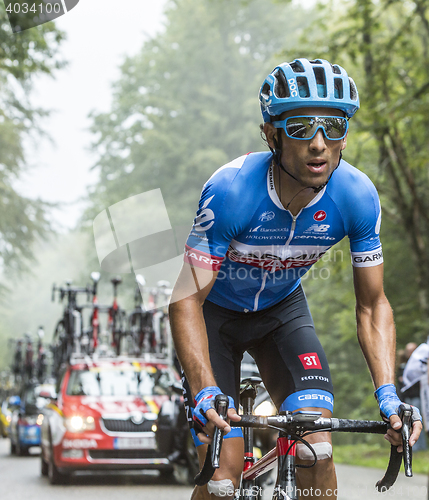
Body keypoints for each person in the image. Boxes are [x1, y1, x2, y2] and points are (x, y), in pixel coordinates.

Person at [169, 58, 422, 500]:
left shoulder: (357, 195)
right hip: (213, 318)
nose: (319, 144)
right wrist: (204, 389)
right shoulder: (230, 190)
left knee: (316, 451)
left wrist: (388, 394)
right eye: (303, 128)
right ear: (272, 134)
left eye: (334, 127)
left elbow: (372, 305)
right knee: (223, 477)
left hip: (281, 314)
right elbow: (185, 300)